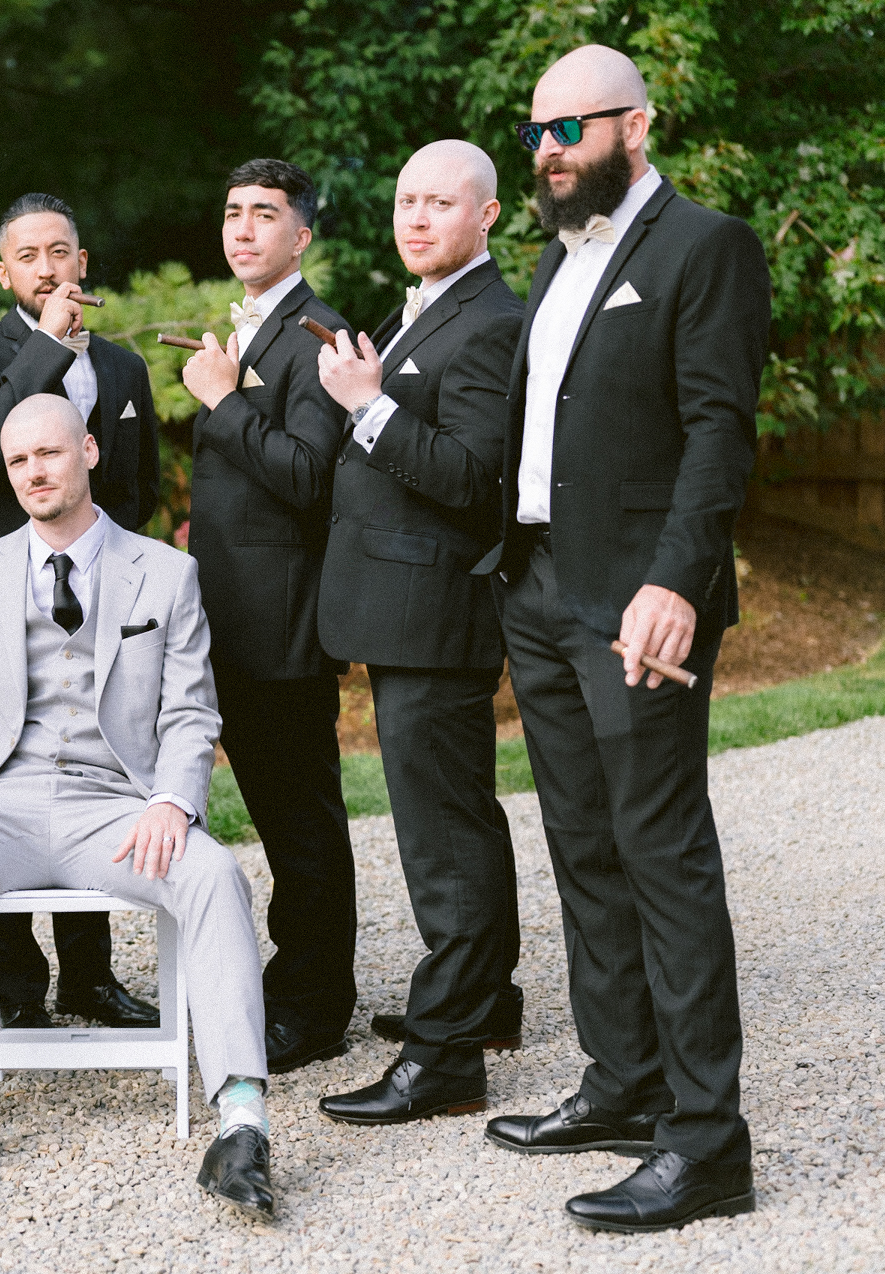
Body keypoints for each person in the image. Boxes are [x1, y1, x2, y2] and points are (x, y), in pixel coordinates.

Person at [471, 45, 769, 1232]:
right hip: (541, 590)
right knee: (584, 846)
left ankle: (708, 1144)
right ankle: (624, 1079)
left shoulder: (705, 247)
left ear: (634, 127)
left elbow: (718, 432)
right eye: (536, 133)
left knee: (662, 850)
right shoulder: (557, 254)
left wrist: (677, 582)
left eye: (570, 130)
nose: (547, 151)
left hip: (639, 600)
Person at [0, 394, 276, 1220]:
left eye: (49, 454)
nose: (34, 473)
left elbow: (190, 710)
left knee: (214, 875)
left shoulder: (166, 570)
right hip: (1, 805)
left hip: (116, 805)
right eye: (18, 462)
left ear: (88, 451)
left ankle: (241, 1120)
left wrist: (172, 800)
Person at [309, 141, 527, 1128]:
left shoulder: (490, 321)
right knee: (455, 816)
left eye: (440, 201)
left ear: (487, 216)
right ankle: (483, 1002)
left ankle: (444, 1057)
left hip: (436, 613)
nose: (417, 215)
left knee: (442, 835)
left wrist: (367, 405)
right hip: (401, 608)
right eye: (406, 198)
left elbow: (472, 475)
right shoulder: (425, 308)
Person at [0, 191, 163, 1032]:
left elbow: (135, 486)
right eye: (29, 256)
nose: (47, 267)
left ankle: (92, 977)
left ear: (81, 261)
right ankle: (18, 985)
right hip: (11, 598)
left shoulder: (124, 366)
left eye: (60, 251)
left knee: (94, 766)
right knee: (9, 769)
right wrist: (45, 345)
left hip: (110, 600)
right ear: (7, 273)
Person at [180, 159, 356, 1074]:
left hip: (283, 625)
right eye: (233, 211)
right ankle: (286, 983)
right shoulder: (249, 329)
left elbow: (306, 477)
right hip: (224, 619)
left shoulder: (320, 338)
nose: (243, 228)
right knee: (274, 814)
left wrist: (224, 398)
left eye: (265, 214)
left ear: (302, 237)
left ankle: (317, 1006)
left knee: (301, 823)